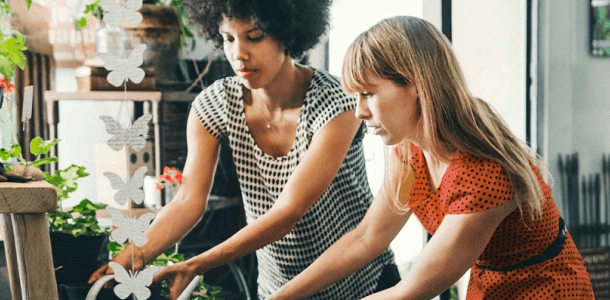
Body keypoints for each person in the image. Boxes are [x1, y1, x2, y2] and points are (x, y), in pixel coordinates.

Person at [268, 16, 596, 300]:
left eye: (368, 93)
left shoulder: (483, 176)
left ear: (416, 84)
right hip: (488, 283)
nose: (360, 112)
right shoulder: (410, 148)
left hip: (546, 290)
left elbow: (412, 291)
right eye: (356, 96)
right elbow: (366, 238)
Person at [89, 1, 400, 299]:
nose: (239, 54)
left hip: (364, 285)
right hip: (278, 290)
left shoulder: (337, 103)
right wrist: (130, 257)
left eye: (254, 37)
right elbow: (186, 201)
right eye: (227, 38)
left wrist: (199, 263)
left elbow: (289, 211)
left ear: (287, 34)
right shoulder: (214, 105)